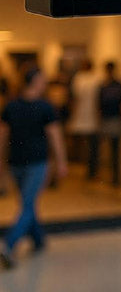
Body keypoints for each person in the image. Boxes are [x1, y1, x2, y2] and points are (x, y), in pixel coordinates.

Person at [0, 67, 68, 269]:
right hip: (36, 163)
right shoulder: (45, 107)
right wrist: (61, 161)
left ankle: (38, 241)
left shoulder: (11, 106)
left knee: (28, 203)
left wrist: (1, 161)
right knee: (28, 205)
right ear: (36, 81)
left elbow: (2, 138)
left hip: (17, 162)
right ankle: (8, 245)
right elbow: (55, 137)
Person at [98, 61, 121, 187]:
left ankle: (115, 177)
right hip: (109, 119)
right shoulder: (106, 86)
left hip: (114, 119)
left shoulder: (115, 86)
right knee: (112, 149)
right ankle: (113, 176)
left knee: (115, 149)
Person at [68, 59, 100, 179]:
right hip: (85, 116)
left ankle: (91, 169)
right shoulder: (83, 78)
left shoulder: (90, 78)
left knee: (90, 145)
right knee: (86, 144)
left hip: (88, 116)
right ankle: (86, 167)